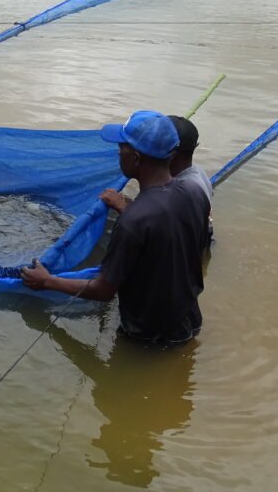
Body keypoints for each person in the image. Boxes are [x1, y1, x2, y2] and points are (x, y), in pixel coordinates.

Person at [21, 110, 211, 346]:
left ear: (137, 158)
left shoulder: (133, 220)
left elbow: (103, 290)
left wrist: (47, 281)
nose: (118, 153)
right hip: (190, 319)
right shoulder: (195, 193)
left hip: (148, 337)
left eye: (122, 148)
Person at [100, 114, 214, 240]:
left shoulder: (186, 189)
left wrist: (124, 208)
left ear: (171, 154)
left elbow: (168, 230)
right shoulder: (195, 172)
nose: (118, 152)